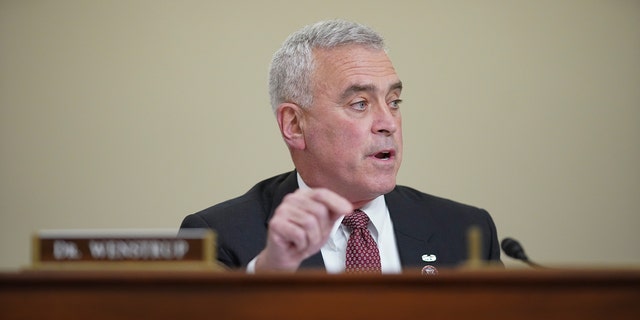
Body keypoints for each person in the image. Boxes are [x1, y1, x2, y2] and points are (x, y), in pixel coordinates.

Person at [180, 19, 502, 273]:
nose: (388, 122)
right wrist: (270, 272)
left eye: (394, 101)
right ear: (294, 125)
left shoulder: (465, 230)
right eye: (360, 104)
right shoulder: (218, 236)